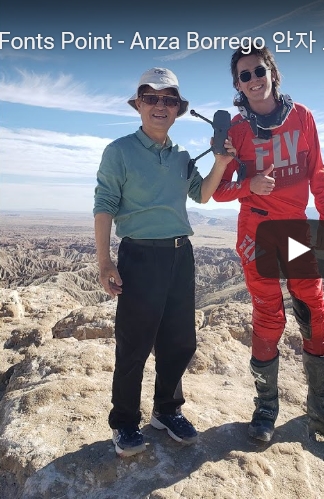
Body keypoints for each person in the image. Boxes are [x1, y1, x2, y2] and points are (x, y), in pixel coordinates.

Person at [213, 44, 324, 442]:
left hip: (297, 230)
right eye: (244, 75)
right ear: (238, 85)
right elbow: (218, 191)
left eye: (258, 71)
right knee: (268, 315)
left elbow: (318, 171)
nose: (253, 80)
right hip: (256, 232)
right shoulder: (236, 131)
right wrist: (249, 185)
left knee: (313, 310)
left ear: (272, 73)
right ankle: (266, 408)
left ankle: (320, 404)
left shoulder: (302, 117)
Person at [94, 67, 235, 457]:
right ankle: (124, 422)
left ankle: (167, 411)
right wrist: (104, 261)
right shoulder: (119, 151)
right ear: (139, 104)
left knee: (179, 340)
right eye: (151, 98)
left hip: (180, 254)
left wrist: (221, 163)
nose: (160, 105)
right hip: (139, 255)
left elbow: (201, 195)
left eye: (168, 99)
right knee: (134, 344)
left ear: (178, 109)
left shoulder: (182, 155)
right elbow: (104, 204)